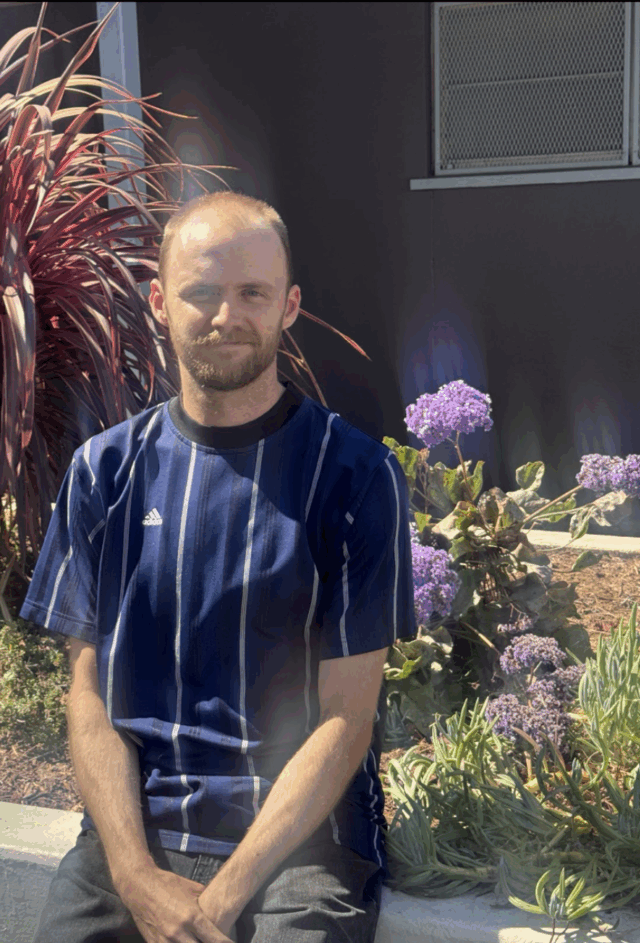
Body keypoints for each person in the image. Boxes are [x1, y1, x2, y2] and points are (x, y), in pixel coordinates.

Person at [20, 190, 417, 943]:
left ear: (289, 306)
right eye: (201, 292)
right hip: (134, 833)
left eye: (252, 293)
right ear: (160, 304)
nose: (226, 315)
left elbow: (347, 719)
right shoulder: (103, 472)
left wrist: (215, 904)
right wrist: (135, 876)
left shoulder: (355, 476)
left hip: (302, 843)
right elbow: (89, 697)